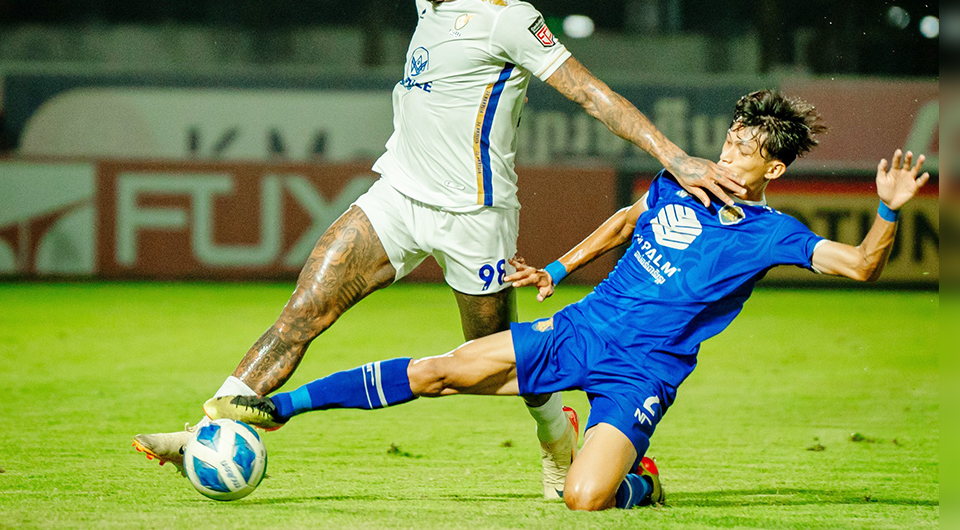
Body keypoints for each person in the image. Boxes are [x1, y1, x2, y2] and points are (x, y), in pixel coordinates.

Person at [133, 0, 744, 498]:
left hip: (474, 217)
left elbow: (589, 91)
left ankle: (558, 432)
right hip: (397, 195)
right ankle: (205, 431)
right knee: (304, 307)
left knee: (493, 355)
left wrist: (674, 156)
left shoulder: (509, 17)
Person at [203, 90, 929, 510]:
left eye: (745, 148)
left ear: (771, 165)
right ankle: (280, 409)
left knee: (584, 500)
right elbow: (625, 222)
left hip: (644, 370)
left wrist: (890, 211)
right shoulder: (684, 181)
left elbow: (862, 267)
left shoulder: (775, 233)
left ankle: (638, 482)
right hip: (582, 327)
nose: (730, 150)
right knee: (443, 369)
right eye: (731, 137)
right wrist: (558, 266)